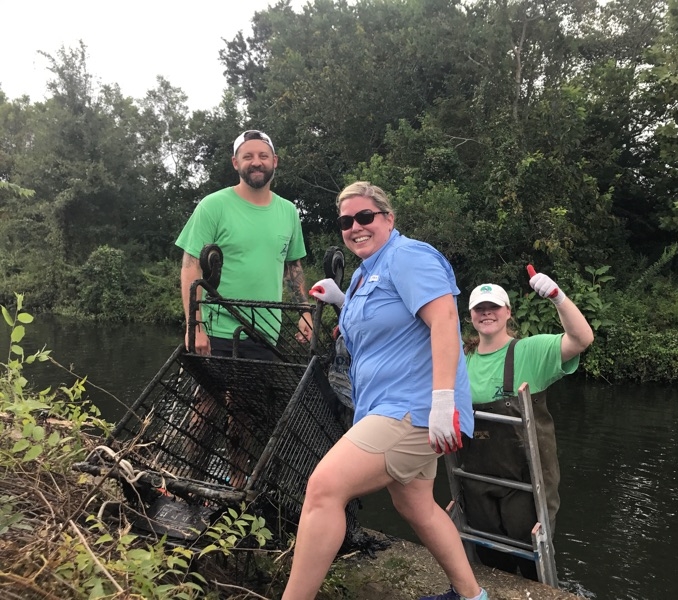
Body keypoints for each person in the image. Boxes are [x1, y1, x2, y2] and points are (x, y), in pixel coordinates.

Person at [282, 181, 489, 600]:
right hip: (382, 407)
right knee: (415, 505)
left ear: (388, 218)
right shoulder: (365, 272)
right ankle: (472, 596)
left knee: (324, 487)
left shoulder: (409, 256)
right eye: (346, 221)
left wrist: (443, 401)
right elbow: (386, 328)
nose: (355, 227)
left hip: (412, 408)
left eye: (364, 217)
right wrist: (344, 300)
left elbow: (445, 320)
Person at [175, 129, 312, 486]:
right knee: (204, 410)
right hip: (218, 328)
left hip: (263, 332)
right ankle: (188, 484)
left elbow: (293, 266)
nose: (256, 162)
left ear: (274, 163)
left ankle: (237, 492)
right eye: (248, 156)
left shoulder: (288, 212)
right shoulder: (213, 205)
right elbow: (191, 266)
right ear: (236, 162)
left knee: (246, 417)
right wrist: (195, 324)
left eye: (263, 156)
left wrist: (304, 312)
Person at [460, 269, 594, 579]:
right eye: (480, 308)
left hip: (525, 481)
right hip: (477, 479)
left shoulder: (531, 351)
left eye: (494, 307)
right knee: (490, 557)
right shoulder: (459, 359)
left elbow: (581, 339)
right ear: (470, 316)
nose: (487, 313)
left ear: (507, 312)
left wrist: (557, 297)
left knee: (532, 556)